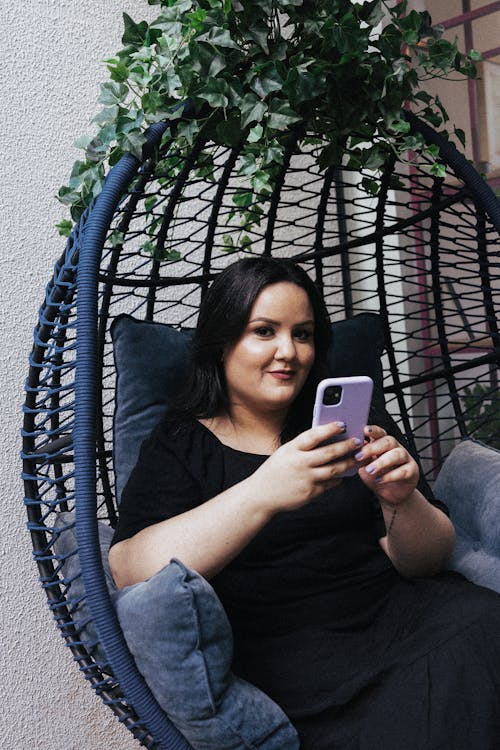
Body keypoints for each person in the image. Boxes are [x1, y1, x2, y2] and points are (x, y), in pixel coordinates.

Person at [109, 257, 500, 750]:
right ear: (222, 341)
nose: (288, 353)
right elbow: (129, 568)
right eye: (264, 331)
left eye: (304, 334)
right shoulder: (181, 444)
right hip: (304, 662)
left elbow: (426, 559)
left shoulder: (348, 424)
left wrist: (402, 499)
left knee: (484, 626)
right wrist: (264, 490)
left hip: (408, 615)